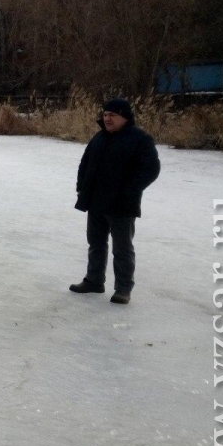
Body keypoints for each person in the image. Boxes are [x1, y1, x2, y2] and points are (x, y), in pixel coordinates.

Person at [70, 97, 160, 304]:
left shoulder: (140, 139)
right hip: (96, 202)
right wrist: (82, 187)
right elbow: (85, 164)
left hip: (122, 205)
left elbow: (150, 169)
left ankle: (123, 289)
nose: (107, 118)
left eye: (113, 115)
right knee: (96, 243)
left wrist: (128, 191)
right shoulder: (99, 137)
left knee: (122, 248)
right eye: (105, 114)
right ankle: (94, 281)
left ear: (125, 117)